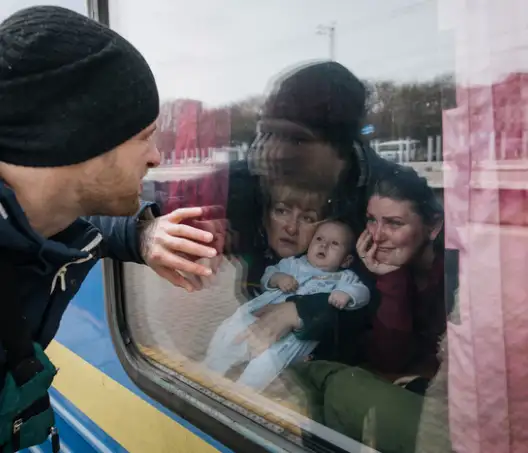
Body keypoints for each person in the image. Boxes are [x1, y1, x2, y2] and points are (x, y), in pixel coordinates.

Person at [0, 6, 217, 452]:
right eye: (145, 136)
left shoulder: (35, 218)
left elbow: (73, 221)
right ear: (80, 138)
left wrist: (141, 233)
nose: (157, 157)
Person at [286, 166, 454, 453]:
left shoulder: (460, 274)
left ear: (433, 227)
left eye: (394, 223)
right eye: (371, 220)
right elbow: (389, 357)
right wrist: (391, 278)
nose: (376, 236)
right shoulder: (372, 265)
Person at [202, 220, 370, 391]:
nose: (324, 245)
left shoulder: (344, 278)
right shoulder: (293, 263)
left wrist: (347, 294)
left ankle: (242, 391)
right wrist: (278, 278)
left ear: (346, 261)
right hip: (259, 314)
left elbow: (363, 293)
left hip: (294, 339)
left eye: (334, 244)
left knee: (268, 362)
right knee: (232, 332)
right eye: (319, 239)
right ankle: (210, 370)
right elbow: (268, 275)